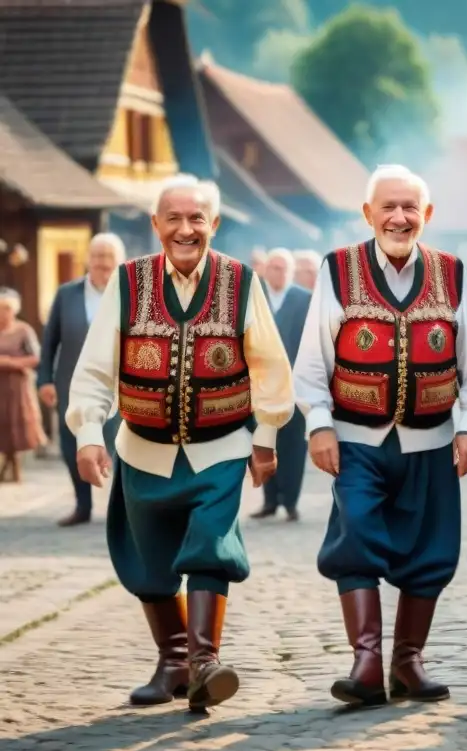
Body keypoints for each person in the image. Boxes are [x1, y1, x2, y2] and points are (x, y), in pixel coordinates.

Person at [65, 174, 294, 711]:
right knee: (148, 560)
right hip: (142, 449)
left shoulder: (241, 282)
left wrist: (265, 437)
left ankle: (204, 662)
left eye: (197, 219)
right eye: (174, 218)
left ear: (214, 224)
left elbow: (269, 367)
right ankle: (172, 663)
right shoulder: (128, 281)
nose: (185, 229)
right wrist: (87, 433)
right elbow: (96, 368)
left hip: (220, 448)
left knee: (211, 548)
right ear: (156, 225)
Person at [292, 164, 467, 708]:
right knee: (356, 538)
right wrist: (318, 425)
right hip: (356, 441)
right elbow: (312, 362)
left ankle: (408, 662)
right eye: (388, 207)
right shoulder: (337, 270)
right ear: (368, 214)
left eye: (410, 208)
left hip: (432, 443)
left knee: (431, 549)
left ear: (426, 216)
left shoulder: (451, 274)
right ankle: (366, 661)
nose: (399, 218)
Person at [38, 233, 124, 526]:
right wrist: (44, 380)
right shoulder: (67, 294)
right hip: (71, 384)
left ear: (118, 260)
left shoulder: (128, 294)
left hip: (117, 386)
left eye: (108, 256)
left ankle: (123, 509)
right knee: (70, 444)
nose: (102, 262)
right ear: (87, 259)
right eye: (97, 255)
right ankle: (83, 505)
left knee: (117, 446)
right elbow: (50, 341)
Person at [251, 248, 312, 521]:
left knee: (293, 446)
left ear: (290, 272)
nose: (278, 273)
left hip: (294, 387)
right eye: (273, 267)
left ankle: (290, 501)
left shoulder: (305, 299)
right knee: (264, 442)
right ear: (265, 270)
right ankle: (269, 500)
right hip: (260, 387)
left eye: (283, 268)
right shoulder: (255, 297)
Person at [0, 288, 46, 482]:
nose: (3, 313)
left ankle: (12, 468)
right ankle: (9, 468)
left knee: (15, 423)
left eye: (6, 308)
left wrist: (11, 363)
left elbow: (37, 357)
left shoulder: (23, 330)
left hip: (17, 385)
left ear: (14, 310)